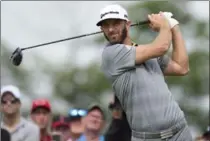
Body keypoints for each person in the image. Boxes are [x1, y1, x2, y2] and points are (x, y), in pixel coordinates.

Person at [99, 4, 192, 141]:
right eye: (106, 25)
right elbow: (161, 47)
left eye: (116, 23)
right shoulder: (111, 55)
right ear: (102, 29)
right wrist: (165, 24)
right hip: (147, 138)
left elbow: (182, 67)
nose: (111, 29)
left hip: (179, 132)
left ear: (128, 24)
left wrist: (174, 27)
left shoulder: (146, 53)